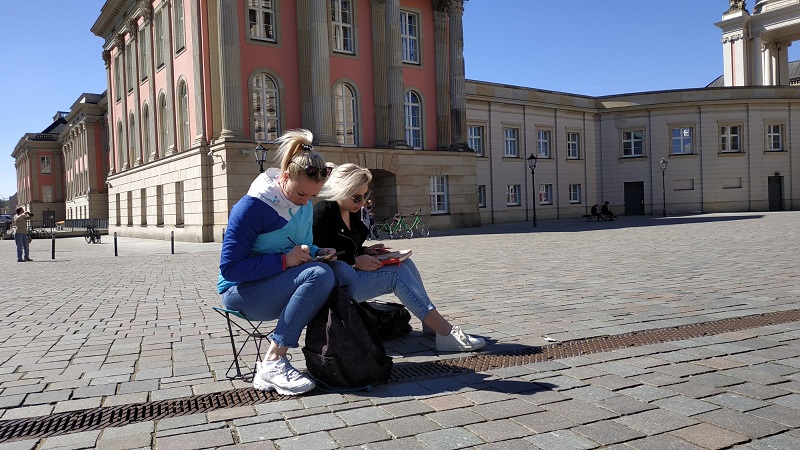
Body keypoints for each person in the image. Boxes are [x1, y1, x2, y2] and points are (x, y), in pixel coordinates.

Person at [217, 129, 345, 396]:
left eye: (312, 196)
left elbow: (303, 246)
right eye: (301, 194)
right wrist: (285, 261)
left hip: (278, 283)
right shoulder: (251, 207)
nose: (306, 202)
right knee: (319, 276)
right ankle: (274, 362)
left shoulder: (305, 204)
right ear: (284, 176)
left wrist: (318, 251)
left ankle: (341, 349)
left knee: (338, 270)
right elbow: (229, 268)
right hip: (241, 293)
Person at [312, 163, 485, 352]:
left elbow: (347, 246)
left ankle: (431, 324)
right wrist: (354, 261)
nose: (362, 203)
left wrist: (366, 251)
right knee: (396, 273)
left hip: (351, 275)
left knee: (406, 263)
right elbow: (318, 257)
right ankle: (445, 333)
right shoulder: (323, 214)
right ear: (340, 190)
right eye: (357, 197)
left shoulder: (350, 210)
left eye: (365, 195)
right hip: (335, 286)